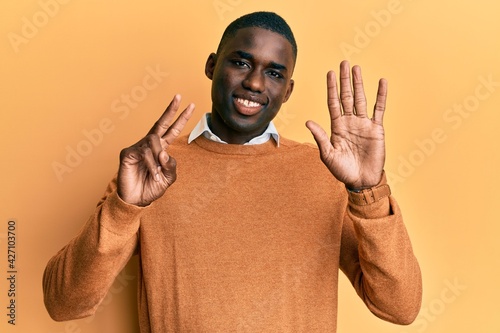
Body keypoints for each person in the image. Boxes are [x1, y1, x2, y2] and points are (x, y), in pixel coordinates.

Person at [43, 11, 422, 332]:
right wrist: (124, 206)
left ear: (287, 91)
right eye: (241, 62)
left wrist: (369, 192)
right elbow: (64, 304)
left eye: (273, 73)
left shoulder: (325, 173)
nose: (254, 83)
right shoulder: (150, 171)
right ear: (212, 65)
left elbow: (400, 308)